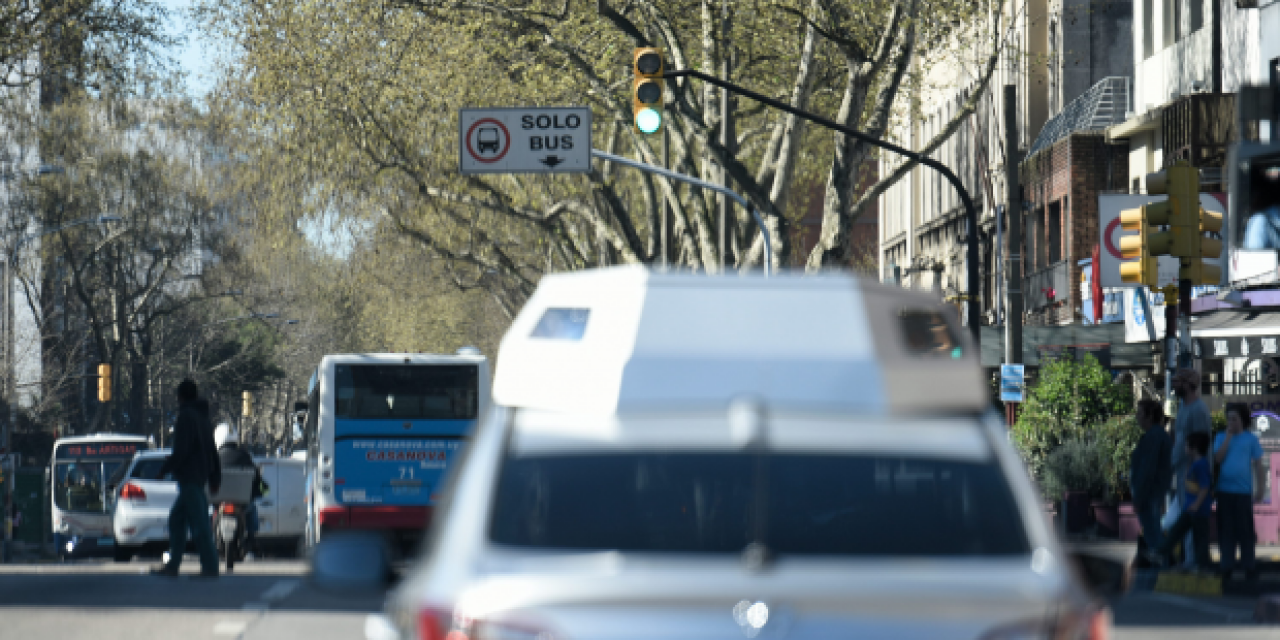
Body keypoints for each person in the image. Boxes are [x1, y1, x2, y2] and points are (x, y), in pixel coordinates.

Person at [153, 379, 221, 578]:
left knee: (199, 524)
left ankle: (210, 566)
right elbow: (211, 450)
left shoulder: (186, 417)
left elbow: (182, 450)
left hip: (190, 477)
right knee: (177, 520)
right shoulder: (203, 418)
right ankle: (173, 565)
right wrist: (215, 476)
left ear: (180, 396)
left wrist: (164, 469)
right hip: (198, 476)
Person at [1215, 403, 1266, 581]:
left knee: (1245, 531)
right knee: (1226, 530)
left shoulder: (1250, 439)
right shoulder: (1221, 437)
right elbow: (1218, 459)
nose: (1231, 422)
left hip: (1243, 492)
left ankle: (1248, 565)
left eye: (1234, 419)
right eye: (1228, 419)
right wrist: (1228, 438)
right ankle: (1226, 565)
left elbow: (1259, 465)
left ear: (1242, 420)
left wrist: (1261, 488)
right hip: (1224, 490)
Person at [1168, 368, 1211, 568]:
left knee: (1189, 520)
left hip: (1192, 475)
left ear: (1188, 384)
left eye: (1178, 382)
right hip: (1181, 473)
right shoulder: (1183, 408)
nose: (1174, 386)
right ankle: (1185, 559)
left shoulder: (1198, 410)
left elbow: (1201, 444)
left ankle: (1192, 561)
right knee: (1174, 521)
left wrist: (1194, 471)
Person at [1150, 432, 1214, 569]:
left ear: (1194, 447)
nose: (1184, 447)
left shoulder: (1201, 465)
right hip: (1189, 509)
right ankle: (1160, 552)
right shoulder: (1193, 464)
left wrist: (1197, 504)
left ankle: (1202, 566)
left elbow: (1204, 487)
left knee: (1200, 540)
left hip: (1199, 511)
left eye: (1186, 445)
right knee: (1176, 531)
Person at [214, 424, 268, 556]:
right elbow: (255, 476)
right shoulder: (244, 456)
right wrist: (262, 490)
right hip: (240, 501)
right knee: (252, 509)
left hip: (218, 501)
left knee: (209, 513)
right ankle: (251, 537)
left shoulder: (212, 457)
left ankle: (209, 540)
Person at [1130, 399, 1172, 553]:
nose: (1137, 417)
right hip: (1153, 492)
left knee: (1153, 534)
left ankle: (1162, 566)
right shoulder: (1157, 435)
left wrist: (1139, 497)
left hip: (1149, 494)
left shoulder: (1154, 437)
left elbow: (1147, 469)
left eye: (1140, 413)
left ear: (1149, 416)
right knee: (1153, 531)